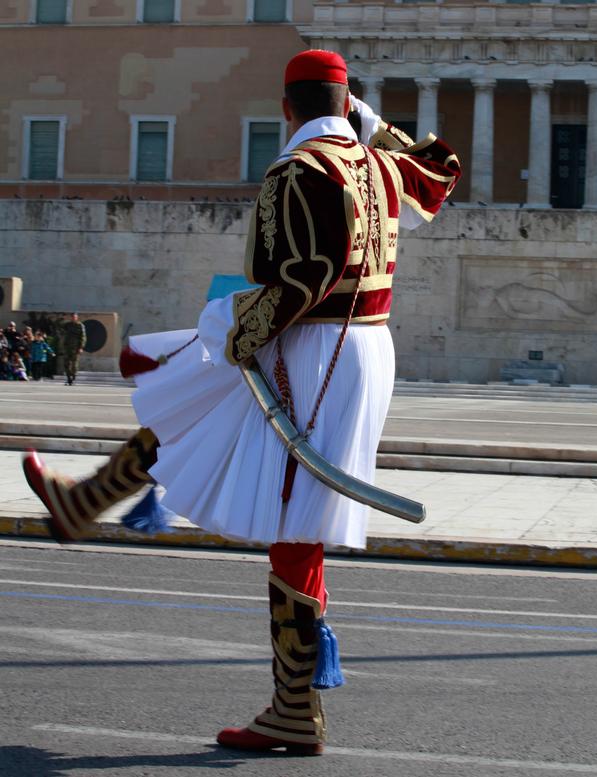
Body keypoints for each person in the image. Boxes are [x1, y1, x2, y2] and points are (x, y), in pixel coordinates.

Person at [23, 50, 460, 755]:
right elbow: (440, 174)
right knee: (196, 400)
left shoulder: (300, 169)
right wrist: (376, 129)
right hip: (359, 348)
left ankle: (295, 707)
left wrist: (235, 331)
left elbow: (302, 279)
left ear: (285, 108)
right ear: (346, 104)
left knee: (296, 526)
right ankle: (88, 500)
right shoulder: (377, 165)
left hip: (311, 347)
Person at [61, 312, 86, 385]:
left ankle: (73, 376)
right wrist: (63, 319)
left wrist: (81, 347)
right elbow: (60, 326)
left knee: (74, 364)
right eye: (72, 317)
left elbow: (83, 337)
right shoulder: (67, 325)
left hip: (75, 348)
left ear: (77, 317)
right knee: (66, 364)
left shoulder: (80, 326)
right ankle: (69, 378)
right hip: (67, 347)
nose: (73, 318)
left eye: (74, 317)